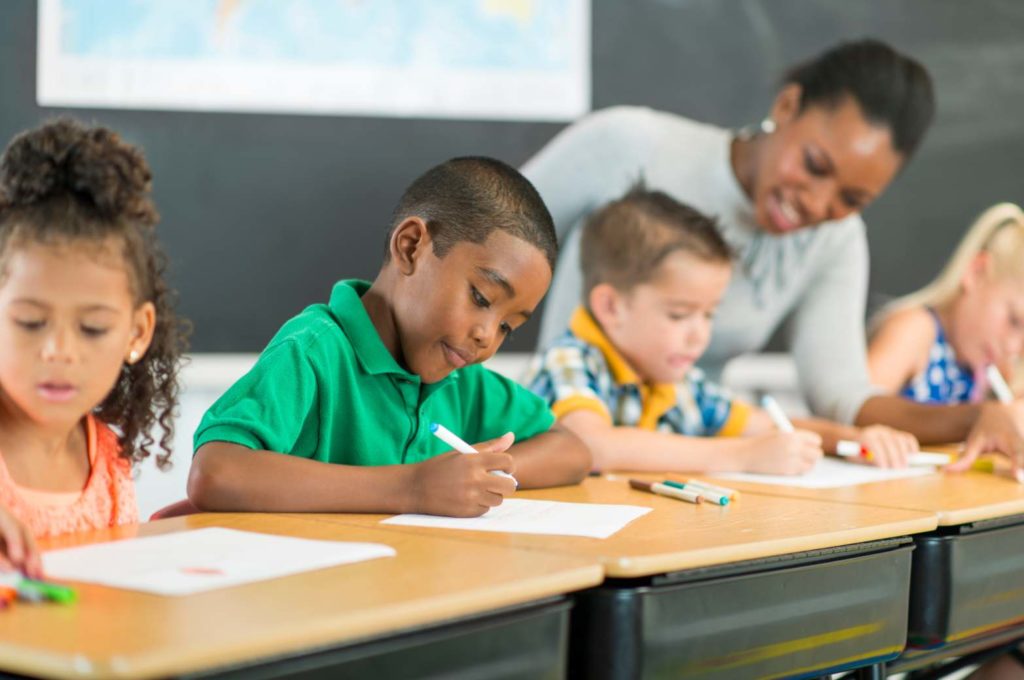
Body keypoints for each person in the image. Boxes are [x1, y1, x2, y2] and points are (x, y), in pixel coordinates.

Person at [524, 37, 1024, 471]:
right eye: (814, 164)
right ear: (787, 107)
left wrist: (971, 416)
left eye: (851, 201)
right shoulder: (629, 145)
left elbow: (843, 396)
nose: (819, 204)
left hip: (692, 467)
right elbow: (483, 235)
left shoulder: (835, 241)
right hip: (592, 463)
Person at [188, 157, 591, 518]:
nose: (487, 337)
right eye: (481, 298)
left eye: (508, 327)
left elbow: (572, 451)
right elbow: (216, 471)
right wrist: (413, 487)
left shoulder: (457, 379)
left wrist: (481, 475)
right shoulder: (314, 352)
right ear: (411, 247)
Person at [525, 186, 823, 474]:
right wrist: (742, 456)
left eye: (709, 314)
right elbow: (592, 446)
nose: (699, 335)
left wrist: (846, 439)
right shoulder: (568, 361)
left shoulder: (678, 383)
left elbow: (764, 425)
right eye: (679, 315)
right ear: (611, 307)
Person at [0, 118, 186, 574]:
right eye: (30, 322)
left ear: (136, 334)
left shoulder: (107, 463)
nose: (59, 350)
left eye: (92, 329)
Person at [869, 203, 1024, 405]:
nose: (1013, 347)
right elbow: (857, 410)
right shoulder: (915, 331)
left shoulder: (985, 369)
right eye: (1013, 320)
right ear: (976, 273)